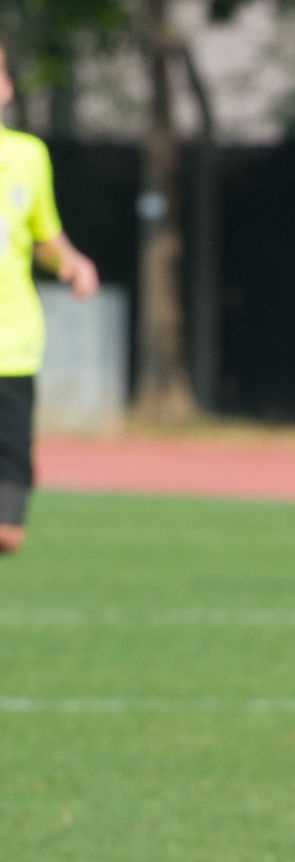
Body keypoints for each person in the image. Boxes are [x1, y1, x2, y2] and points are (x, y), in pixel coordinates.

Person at [0, 39, 99, 557]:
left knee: (8, 534)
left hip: (11, 348)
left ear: (7, 87)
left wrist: (71, 263)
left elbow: (45, 236)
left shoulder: (27, 156)